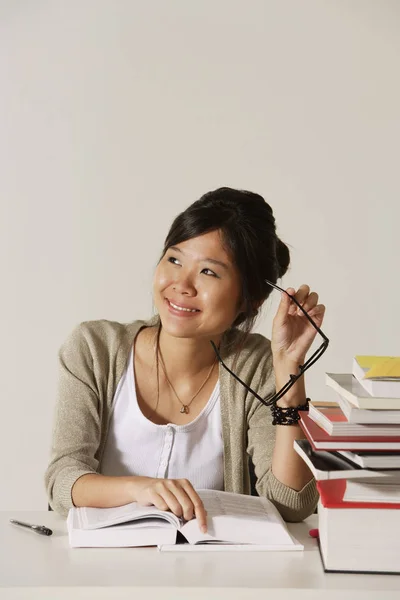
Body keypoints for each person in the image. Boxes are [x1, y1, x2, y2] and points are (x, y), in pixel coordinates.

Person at [45, 187, 326, 531]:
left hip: (212, 575)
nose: (181, 285)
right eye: (174, 260)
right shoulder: (94, 348)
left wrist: (289, 371)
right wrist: (142, 488)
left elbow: (291, 504)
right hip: (102, 573)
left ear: (250, 298)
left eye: (208, 272)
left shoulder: (258, 366)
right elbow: (63, 480)